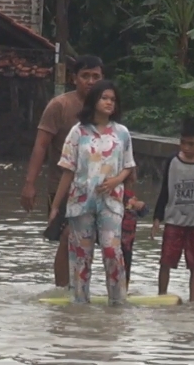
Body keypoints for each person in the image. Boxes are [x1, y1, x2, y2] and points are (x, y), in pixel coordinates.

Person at [48, 80, 136, 305]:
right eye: (104, 98)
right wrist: (56, 206)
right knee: (81, 256)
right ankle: (80, 305)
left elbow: (128, 166)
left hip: (111, 202)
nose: (109, 103)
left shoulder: (122, 133)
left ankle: (118, 303)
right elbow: (68, 170)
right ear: (94, 100)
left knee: (112, 251)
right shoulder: (78, 132)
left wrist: (116, 180)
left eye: (113, 99)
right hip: (81, 202)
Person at [21, 56, 105, 288]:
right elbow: (41, 145)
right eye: (85, 76)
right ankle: (61, 289)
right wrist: (29, 184)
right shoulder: (60, 106)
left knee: (89, 240)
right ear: (74, 78)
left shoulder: (106, 107)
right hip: (63, 186)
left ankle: (81, 287)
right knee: (67, 236)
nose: (90, 81)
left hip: (97, 188)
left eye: (95, 76)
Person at [152, 117, 194, 303]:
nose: (186, 147)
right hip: (174, 220)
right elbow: (165, 191)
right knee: (166, 261)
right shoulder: (172, 162)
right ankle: (161, 296)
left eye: (191, 144)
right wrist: (157, 217)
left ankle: (193, 301)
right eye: (183, 142)